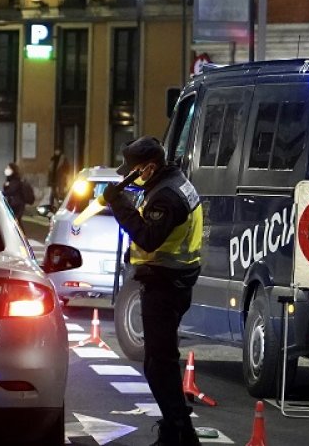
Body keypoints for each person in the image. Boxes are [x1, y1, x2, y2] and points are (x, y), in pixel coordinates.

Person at [100, 136, 203, 446]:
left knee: (160, 365)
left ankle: (179, 433)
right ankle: (179, 432)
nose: (128, 176)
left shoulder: (166, 197)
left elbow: (148, 237)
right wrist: (126, 195)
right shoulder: (169, 182)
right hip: (172, 280)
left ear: (148, 167)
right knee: (159, 362)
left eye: (131, 171)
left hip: (166, 283)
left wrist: (118, 204)